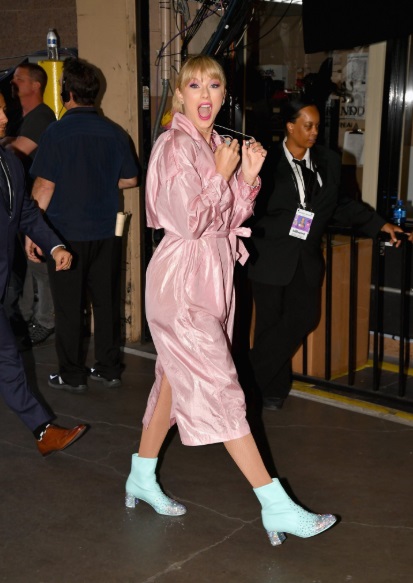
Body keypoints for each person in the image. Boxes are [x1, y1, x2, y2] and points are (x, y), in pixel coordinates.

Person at [124, 55, 336, 547]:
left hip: (215, 277)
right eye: (193, 84)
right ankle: (275, 505)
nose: (204, 93)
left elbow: (230, 217)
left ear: (223, 96)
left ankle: (141, 473)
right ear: (179, 95)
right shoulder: (172, 145)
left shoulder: (218, 143)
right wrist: (222, 175)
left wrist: (243, 179)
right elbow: (191, 221)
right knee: (221, 387)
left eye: (213, 85)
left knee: (174, 384)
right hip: (180, 284)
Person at [247, 98, 409, 411]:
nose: (314, 132)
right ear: (290, 127)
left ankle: (244, 379)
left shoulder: (328, 161)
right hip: (268, 255)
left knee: (305, 315)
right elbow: (247, 205)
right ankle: (273, 390)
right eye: (307, 125)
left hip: (305, 257)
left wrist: (380, 225)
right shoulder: (265, 162)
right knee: (269, 324)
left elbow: (343, 204)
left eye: (317, 125)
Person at [29, 57, 140, 393]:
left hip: (65, 237)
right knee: (106, 303)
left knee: (69, 307)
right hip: (107, 233)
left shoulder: (57, 132)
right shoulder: (115, 132)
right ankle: (108, 369)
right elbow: (131, 179)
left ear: (67, 94)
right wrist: (102, 180)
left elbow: (44, 187)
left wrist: (33, 232)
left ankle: (72, 374)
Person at [0, 91, 87, 456]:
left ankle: (43, 431)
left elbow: (26, 212)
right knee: (6, 356)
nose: (5, 119)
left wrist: (55, 246)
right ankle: (42, 429)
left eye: (4, 110)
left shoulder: (10, 161)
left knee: (7, 358)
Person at [2, 63, 57, 346]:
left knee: (38, 267)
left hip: (33, 200)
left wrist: (8, 141)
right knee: (24, 267)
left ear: (35, 85)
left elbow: (15, 150)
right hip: (19, 198)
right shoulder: (20, 117)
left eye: (19, 79)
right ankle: (24, 318)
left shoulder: (41, 117)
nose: (14, 82)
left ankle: (45, 319)